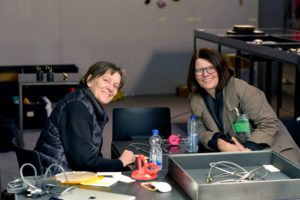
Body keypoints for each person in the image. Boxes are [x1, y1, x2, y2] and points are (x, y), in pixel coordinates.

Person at [187, 48, 300, 165]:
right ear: (194, 74)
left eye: (210, 68)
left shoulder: (242, 90)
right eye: (199, 70)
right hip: (238, 156)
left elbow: (269, 123)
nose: (205, 74)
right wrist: (220, 143)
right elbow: (198, 128)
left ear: (220, 68)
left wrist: (248, 150)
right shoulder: (195, 97)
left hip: (273, 151)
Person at [35, 61, 136, 174]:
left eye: (115, 85)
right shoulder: (77, 108)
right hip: (55, 177)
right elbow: (83, 162)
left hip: (67, 172)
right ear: (89, 80)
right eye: (106, 80)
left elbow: (90, 154)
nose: (110, 88)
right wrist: (120, 162)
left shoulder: (88, 104)